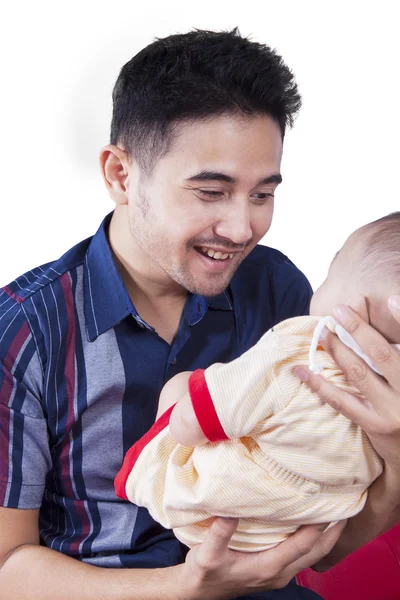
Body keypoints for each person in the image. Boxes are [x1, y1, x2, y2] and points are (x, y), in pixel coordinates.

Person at [0, 28, 399, 600]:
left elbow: (324, 522)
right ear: (120, 174)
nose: (242, 230)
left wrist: (395, 453)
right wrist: (187, 587)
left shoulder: (275, 287)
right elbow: (6, 564)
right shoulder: (23, 331)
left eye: (262, 194)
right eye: (211, 192)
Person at [115, 213, 400, 552]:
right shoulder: (390, 394)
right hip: (294, 535)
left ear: (352, 310)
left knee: (184, 385)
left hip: (204, 519)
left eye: (329, 276)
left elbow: (193, 424)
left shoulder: (291, 349)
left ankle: (143, 470)